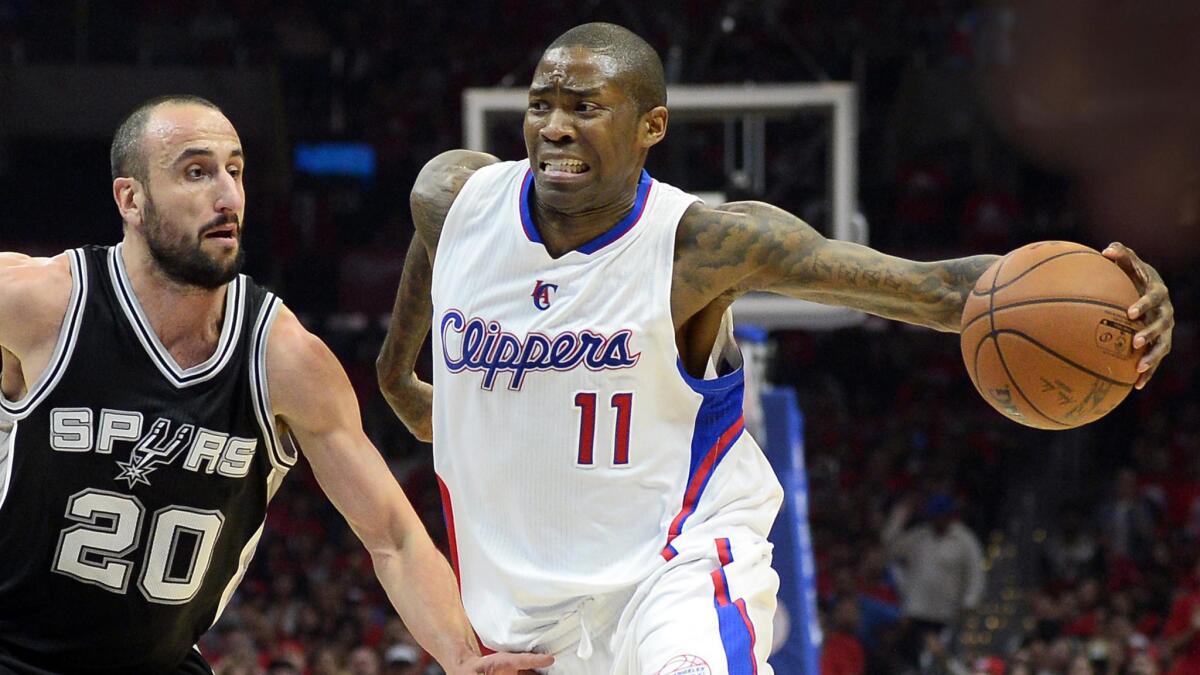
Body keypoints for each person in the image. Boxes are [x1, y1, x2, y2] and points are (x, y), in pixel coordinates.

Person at [377, 22, 1175, 674]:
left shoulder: (705, 246)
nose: (554, 126)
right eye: (542, 104)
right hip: (516, 603)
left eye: (584, 106)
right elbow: (433, 239)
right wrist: (396, 373)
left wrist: (1124, 306)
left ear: (652, 125)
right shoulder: (455, 197)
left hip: (674, 569)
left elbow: (935, 288)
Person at [0, 95, 552, 675]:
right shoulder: (41, 304)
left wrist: (462, 656)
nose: (227, 195)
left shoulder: (284, 359)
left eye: (234, 171)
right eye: (196, 172)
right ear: (130, 198)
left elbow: (393, 536)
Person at [882, 493, 986, 669]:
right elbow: (890, 547)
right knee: (907, 661)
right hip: (915, 613)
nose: (935, 520)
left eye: (940, 516)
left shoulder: (964, 540)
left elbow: (975, 575)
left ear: (949, 516)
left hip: (945, 615)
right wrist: (898, 517)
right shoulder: (920, 536)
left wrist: (969, 604)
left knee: (941, 661)